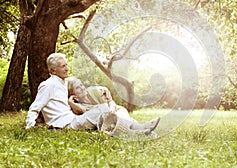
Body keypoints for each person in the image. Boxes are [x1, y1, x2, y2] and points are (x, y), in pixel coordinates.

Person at [25, 53, 160, 135]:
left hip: (71, 119)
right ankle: (139, 128)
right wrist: (29, 126)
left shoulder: (63, 82)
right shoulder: (48, 85)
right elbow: (35, 107)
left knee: (104, 113)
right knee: (103, 109)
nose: (67, 68)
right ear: (53, 71)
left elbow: (80, 86)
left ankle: (137, 130)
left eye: (66, 65)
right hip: (65, 124)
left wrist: (102, 88)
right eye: (63, 66)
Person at [67, 76, 157, 131]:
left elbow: (110, 101)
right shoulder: (79, 106)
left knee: (120, 115)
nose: (82, 88)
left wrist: (112, 110)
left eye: (82, 85)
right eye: (78, 88)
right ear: (73, 95)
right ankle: (142, 128)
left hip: (115, 110)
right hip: (108, 120)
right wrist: (71, 102)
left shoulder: (93, 91)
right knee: (117, 120)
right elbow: (81, 111)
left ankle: (140, 127)